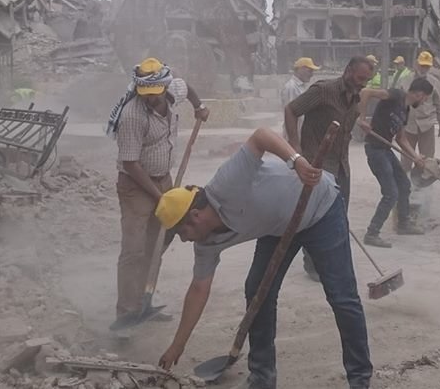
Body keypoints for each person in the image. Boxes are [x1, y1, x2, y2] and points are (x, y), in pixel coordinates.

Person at [155, 128, 372, 389]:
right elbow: (198, 289)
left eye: (182, 232)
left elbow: (260, 136)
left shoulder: (226, 183)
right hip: (277, 228)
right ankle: (262, 376)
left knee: (342, 296)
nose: (184, 240)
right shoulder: (205, 244)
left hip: (320, 209)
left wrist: (297, 161)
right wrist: (177, 346)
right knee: (258, 291)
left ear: (196, 216)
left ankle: (360, 378)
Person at [105, 58, 210, 331]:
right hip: (135, 186)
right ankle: (126, 314)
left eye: (155, 94)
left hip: (163, 179)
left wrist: (199, 107)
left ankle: (145, 301)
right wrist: (159, 197)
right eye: (146, 94)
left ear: (164, 87)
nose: (150, 99)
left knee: (158, 241)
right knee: (134, 249)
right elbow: (130, 163)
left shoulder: (173, 89)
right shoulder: (132, 115)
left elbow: (188, 87)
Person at [285, 56, 374, 281]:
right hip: (318, 164)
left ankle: (330, 260)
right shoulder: (323, 90)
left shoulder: (355, 97)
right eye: (360, 78)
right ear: (348, 70)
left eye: (366, 80)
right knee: (316, 215)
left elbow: (345, 127)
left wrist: (360, 124)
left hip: (341, 166)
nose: (363, 84)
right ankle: (312, 264)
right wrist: (295, 148)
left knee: (337, 216)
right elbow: (291, 110)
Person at [358, 78, 433, 247]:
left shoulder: (405, 109)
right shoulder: (396, 95)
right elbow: (365, 92)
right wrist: (362, 119)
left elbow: (401, 138)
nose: (424, 102)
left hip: (385, 149)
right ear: (419, 94)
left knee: (404, 185)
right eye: (425, 98)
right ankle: (372, 233)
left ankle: (403, 224)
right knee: (391, 193)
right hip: (375, 149)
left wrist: (415, 157)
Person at [398, 51, 440, 172]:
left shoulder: (434, 83)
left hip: (427, 125)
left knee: (427, 158)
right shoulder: (405, 80)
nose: (424, 69)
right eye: (422, 65)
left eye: (427, 66)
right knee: (406, 157)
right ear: (416, 64)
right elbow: (398, 103)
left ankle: (422, 180)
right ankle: (405, 179)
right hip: (408, 125)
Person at [280, 57, 320, 139]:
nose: (312, 74)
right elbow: (290, 114)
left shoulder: (300, 87)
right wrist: (294, 140)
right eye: (309, 71)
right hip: (294, 136)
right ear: (301, 69)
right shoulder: (291, 87)